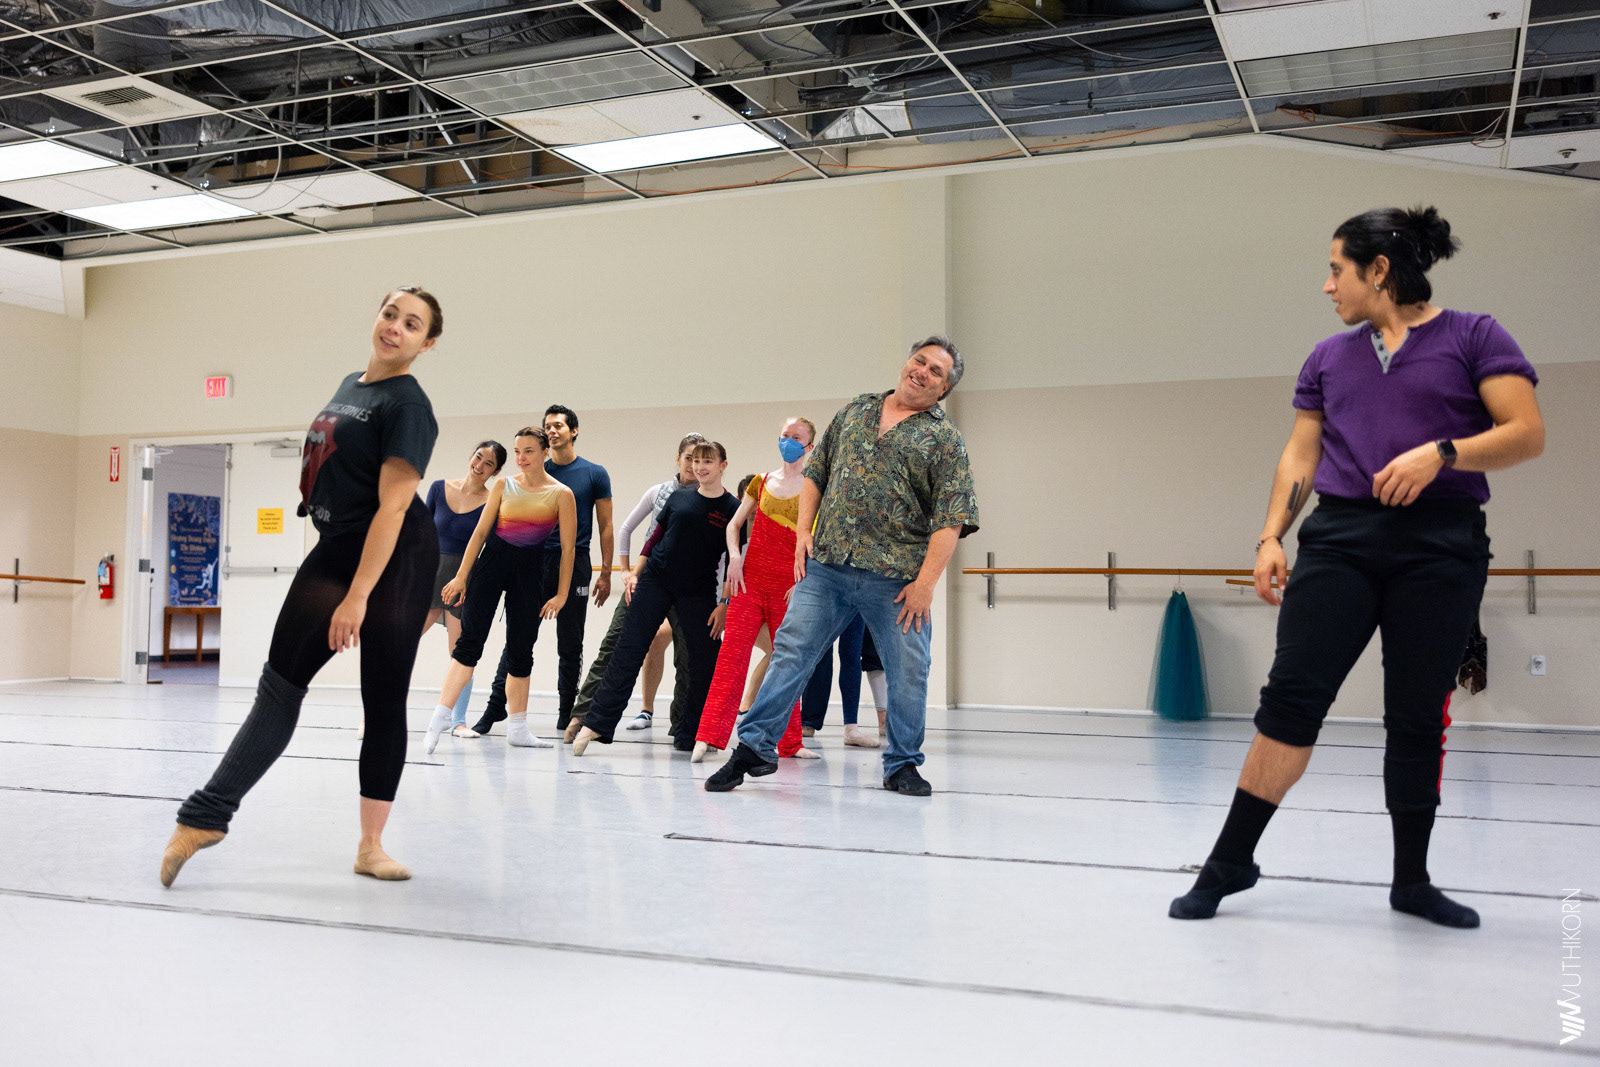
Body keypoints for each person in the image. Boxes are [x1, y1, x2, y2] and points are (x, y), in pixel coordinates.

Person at [1168, 207, 1544, 928]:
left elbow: (1526, 433)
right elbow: (1301, 451)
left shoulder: (1474, 335)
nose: (1327, 285)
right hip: (1340, 540)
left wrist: (1444, 454)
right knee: (1291, 699)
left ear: (1379, 270)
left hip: (1440, 544)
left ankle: (1412, 881)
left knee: (1416, 714)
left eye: (1336, 269)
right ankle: (1229, 862)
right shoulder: (1327, 357)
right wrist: (1270, 535)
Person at [160, 286, 444, 887]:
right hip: (337, 546)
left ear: (427, 343)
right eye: (390, 314)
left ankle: (371, 847)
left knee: (382, 699)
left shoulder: (409, 405)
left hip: (397, 556)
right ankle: (207, 815)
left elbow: (393, 508)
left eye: (411, 324)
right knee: (279, 683)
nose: (394, 327)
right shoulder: (351, 384)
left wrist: (358, 596)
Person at [706, 337, 979, 796]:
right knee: (790, 653)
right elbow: (818, 473)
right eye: (919, 361)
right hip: (828, 568)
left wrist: (926, 584)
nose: (922, 371)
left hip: (897, 580)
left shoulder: (945, 439)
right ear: (906, 363)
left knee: (909, 671)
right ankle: (754, 747)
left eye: (936, 371)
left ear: (944, 389)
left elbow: (952, 518)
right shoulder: (856, 410)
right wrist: (803, 532)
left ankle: (902, 765)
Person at [573, 441, 735, 754]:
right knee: (628, 649)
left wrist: (724, 603)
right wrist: (634, 574)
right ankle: (597, 723)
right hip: (656, 580)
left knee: (704, 659)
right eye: (696, 461)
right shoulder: (678, 496)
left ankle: (693, 733)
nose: (700, 467)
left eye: (707, 462)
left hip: (698, 591)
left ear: (722, 465)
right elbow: (653, 540)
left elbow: (732, 559)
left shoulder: (731, 508)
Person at [423, 427, 576, 753]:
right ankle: (440, 717)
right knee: (468, 645)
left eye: (529, 451)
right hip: (490, 568)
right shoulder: (504, 485)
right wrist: (461, 577)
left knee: (521, 650)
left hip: (529, 575)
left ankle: (518, 727)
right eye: (517, 451)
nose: (521, 458)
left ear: (545, 453)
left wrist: (562, 594)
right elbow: (479, 534)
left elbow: (568, 549)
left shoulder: (562, 494)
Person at [471, 405, 613, 736]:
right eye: (547, 426)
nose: (552, 430)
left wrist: (606, 572)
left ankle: (566, 714)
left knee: (571, 642)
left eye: (558, 425)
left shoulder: (594, 474)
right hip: (532, 561)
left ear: (573, 431)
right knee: (519, 639)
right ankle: (495, 707)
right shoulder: (533, 471)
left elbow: (606, 526)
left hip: (574, 562)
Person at [692, 420, 821, 763]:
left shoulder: (814, 488)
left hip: (788, 586)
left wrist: (803, 582)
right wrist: (735, 557)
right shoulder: (760, 482)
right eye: (785, 436)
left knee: (788, 662)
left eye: (796, 438)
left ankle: (790, 741)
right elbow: (734, 525)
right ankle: (708, 735)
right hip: (748, 583)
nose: (789, 441)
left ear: (809, 446)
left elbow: (817, 542)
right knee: (731, 657)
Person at [421, 440, 504, 738]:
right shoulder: (438, 488)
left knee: (461, 652)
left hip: (463, 581)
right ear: (471, 456)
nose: (479, 466)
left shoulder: (492, 501)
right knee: (399, 645)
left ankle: (457, 721)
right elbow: (420, 533)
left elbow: (488, 546)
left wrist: (466, 581)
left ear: (495, 472)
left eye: (488, 464)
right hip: (430, 576)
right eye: (478, 457)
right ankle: (373, 715)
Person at [799, 614, 881, 748]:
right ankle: (809, 721)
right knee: (821, 652)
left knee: (851, 653)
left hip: (857, 603)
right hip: (826, 601)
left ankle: (851, 727)